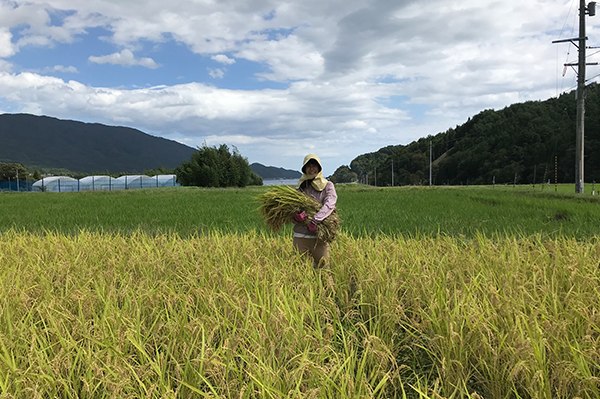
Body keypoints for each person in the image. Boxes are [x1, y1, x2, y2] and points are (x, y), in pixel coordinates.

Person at [292, 154, 338, 268]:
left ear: (319, 168)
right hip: (300, 237)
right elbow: (291, 208)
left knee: (324, 271)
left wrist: (315, 220)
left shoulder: (328, 185)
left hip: (319, 238)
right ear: (304, 169)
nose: (311, 168)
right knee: (299, 272)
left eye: (314, 165)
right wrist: (295, 216)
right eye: (308, 166)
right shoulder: (300, 188)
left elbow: (330, 203)